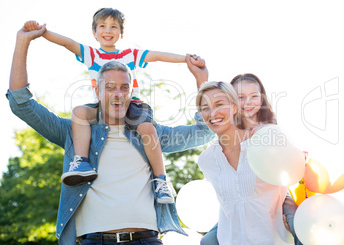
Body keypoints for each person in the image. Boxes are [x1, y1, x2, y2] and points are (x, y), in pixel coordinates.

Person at [7, 24, 214, 244]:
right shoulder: (75, 132)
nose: (118, 94)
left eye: (124, 88)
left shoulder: (149, 133)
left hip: (146, 239)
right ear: (97, 91)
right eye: (110, 87)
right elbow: (22, 105)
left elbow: (204, 133)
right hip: (95, 240)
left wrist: (202, 81)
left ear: (131, 92)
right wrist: (23, 42)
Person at [23, 7, 205, 204]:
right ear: (94, 32)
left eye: (113, 27)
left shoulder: (130, 55)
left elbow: (158, 55)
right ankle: (81, 163)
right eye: (102, 26)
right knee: (79, 113)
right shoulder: (92, 55)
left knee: (147, 128)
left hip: (131, 105)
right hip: (103, 106)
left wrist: (186, 59)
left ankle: (161, 181)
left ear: (121, 33)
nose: (108, 31)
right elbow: (68, 43)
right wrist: (42, 31)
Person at [195, 80, 299, 245]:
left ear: (235, 108)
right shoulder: (206, 161)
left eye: (219, 104)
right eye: (205, 108)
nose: (212, 113)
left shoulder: (264, 143)